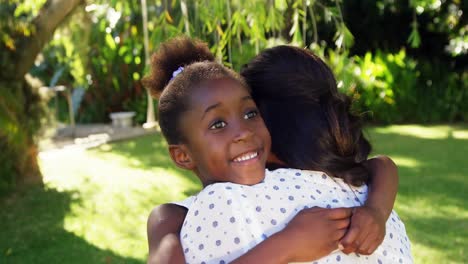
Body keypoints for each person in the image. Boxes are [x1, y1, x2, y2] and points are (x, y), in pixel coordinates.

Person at [144, 38, 405, 263]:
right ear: (182, 155)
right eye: (218, 124)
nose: (244, 132)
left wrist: (375, 211)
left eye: (250, 113)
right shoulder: (172, 215)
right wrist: (288, 245)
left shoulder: (278, 184)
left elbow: (380, 164)